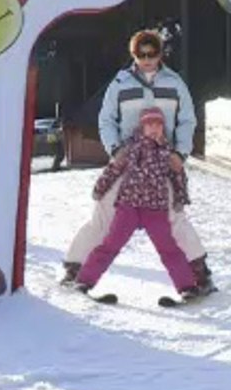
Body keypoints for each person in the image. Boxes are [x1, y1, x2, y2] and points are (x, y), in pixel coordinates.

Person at [61, 30, 214, 291]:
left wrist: (179, 153)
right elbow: (106, 119)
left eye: (152, 54)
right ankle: (75, 269)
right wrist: (115, 149)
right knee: (103, 217)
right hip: (127, 161)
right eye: (141, 55)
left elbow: (187, 120)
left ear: (159, 54)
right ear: (134, 55)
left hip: (161, 162)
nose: (147, 60)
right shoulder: (121, 84)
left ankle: (198, 273)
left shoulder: (174, 83)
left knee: (174, 218)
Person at [70, 107, 202, 298]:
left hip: (156, 209)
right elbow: (113, 169)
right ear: (142, 127)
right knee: (110, 244)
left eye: (158, 124)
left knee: (168, 248)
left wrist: (181, 197)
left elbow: (178, 176)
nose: (154, 128)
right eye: (149, 124)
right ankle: (84, 280)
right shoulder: (131, 148)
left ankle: (187, 287)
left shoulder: (167, 152)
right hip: (129, 206)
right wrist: (100, 188)